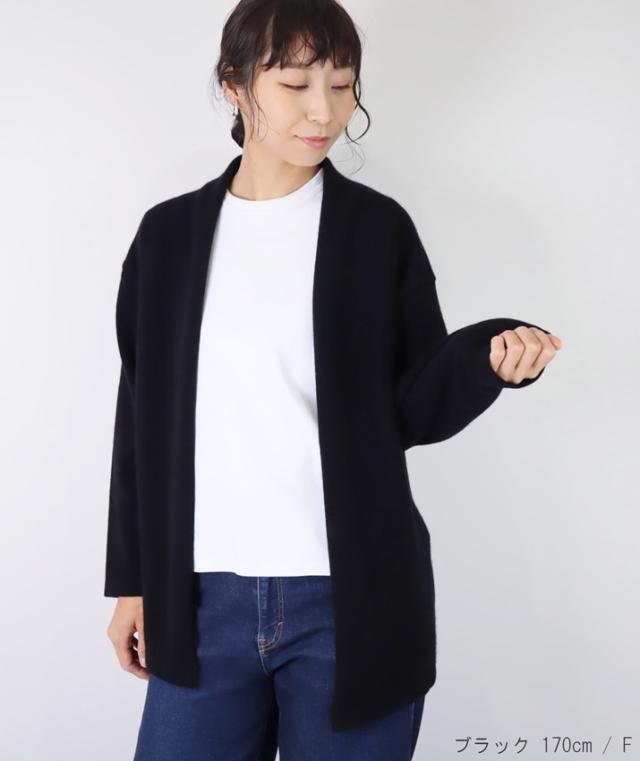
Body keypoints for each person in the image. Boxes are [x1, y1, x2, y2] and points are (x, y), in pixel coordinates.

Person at [105, 1, 562, 758]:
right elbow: (138, 420)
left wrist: (488, 356)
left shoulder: (378, 231)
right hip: (199, 601)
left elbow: (412, 409)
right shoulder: (168, 236)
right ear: (234, 84)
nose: (325, 111)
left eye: (343, 85)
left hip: (353, 605)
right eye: (295, 84)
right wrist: (133, 581)